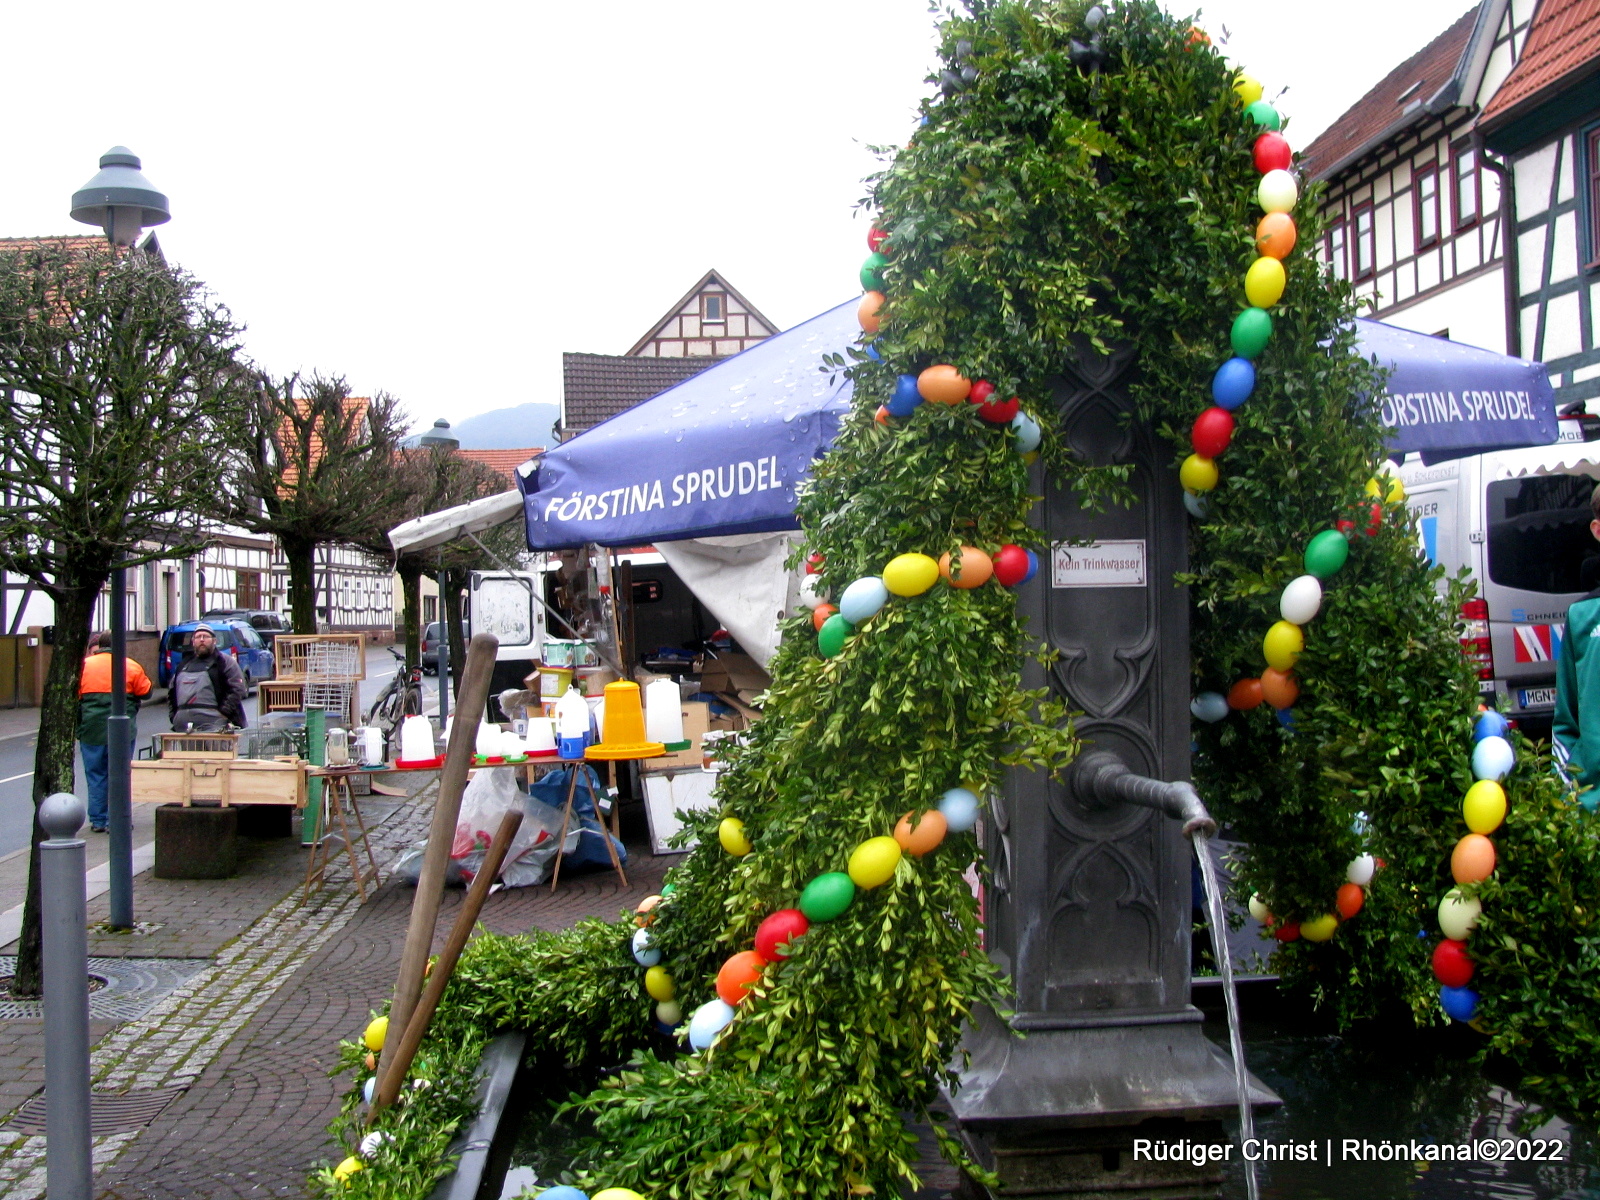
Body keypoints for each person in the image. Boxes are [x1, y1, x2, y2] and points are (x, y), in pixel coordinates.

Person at [78, 630, 153, 833]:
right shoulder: (130, 666)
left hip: (91, 730)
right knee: (119, 774)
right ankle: (117, 819)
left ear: (99, 645)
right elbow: (146, 692)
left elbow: (76, 698)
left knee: (95, 774)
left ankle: (98, 820)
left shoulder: (83, 666)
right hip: (122, 732)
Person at [1554, 482, 1600, 808]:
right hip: (1592, 806)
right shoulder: (1581, 616)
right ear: (1597, 530)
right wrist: (1577, 787)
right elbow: (1564, 721)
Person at [169, 625, 247, 733]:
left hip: (215, 727)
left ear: (214, 641)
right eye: (198, 637)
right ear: (193, 641)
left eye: (205, 636)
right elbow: (172, 692)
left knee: (215, 751)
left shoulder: (224, 662)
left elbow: (238, 689)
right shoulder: (184, 664)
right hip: (184, 729)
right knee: (188, 751)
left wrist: (224, 712)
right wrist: (174, 716)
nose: (201, 640)